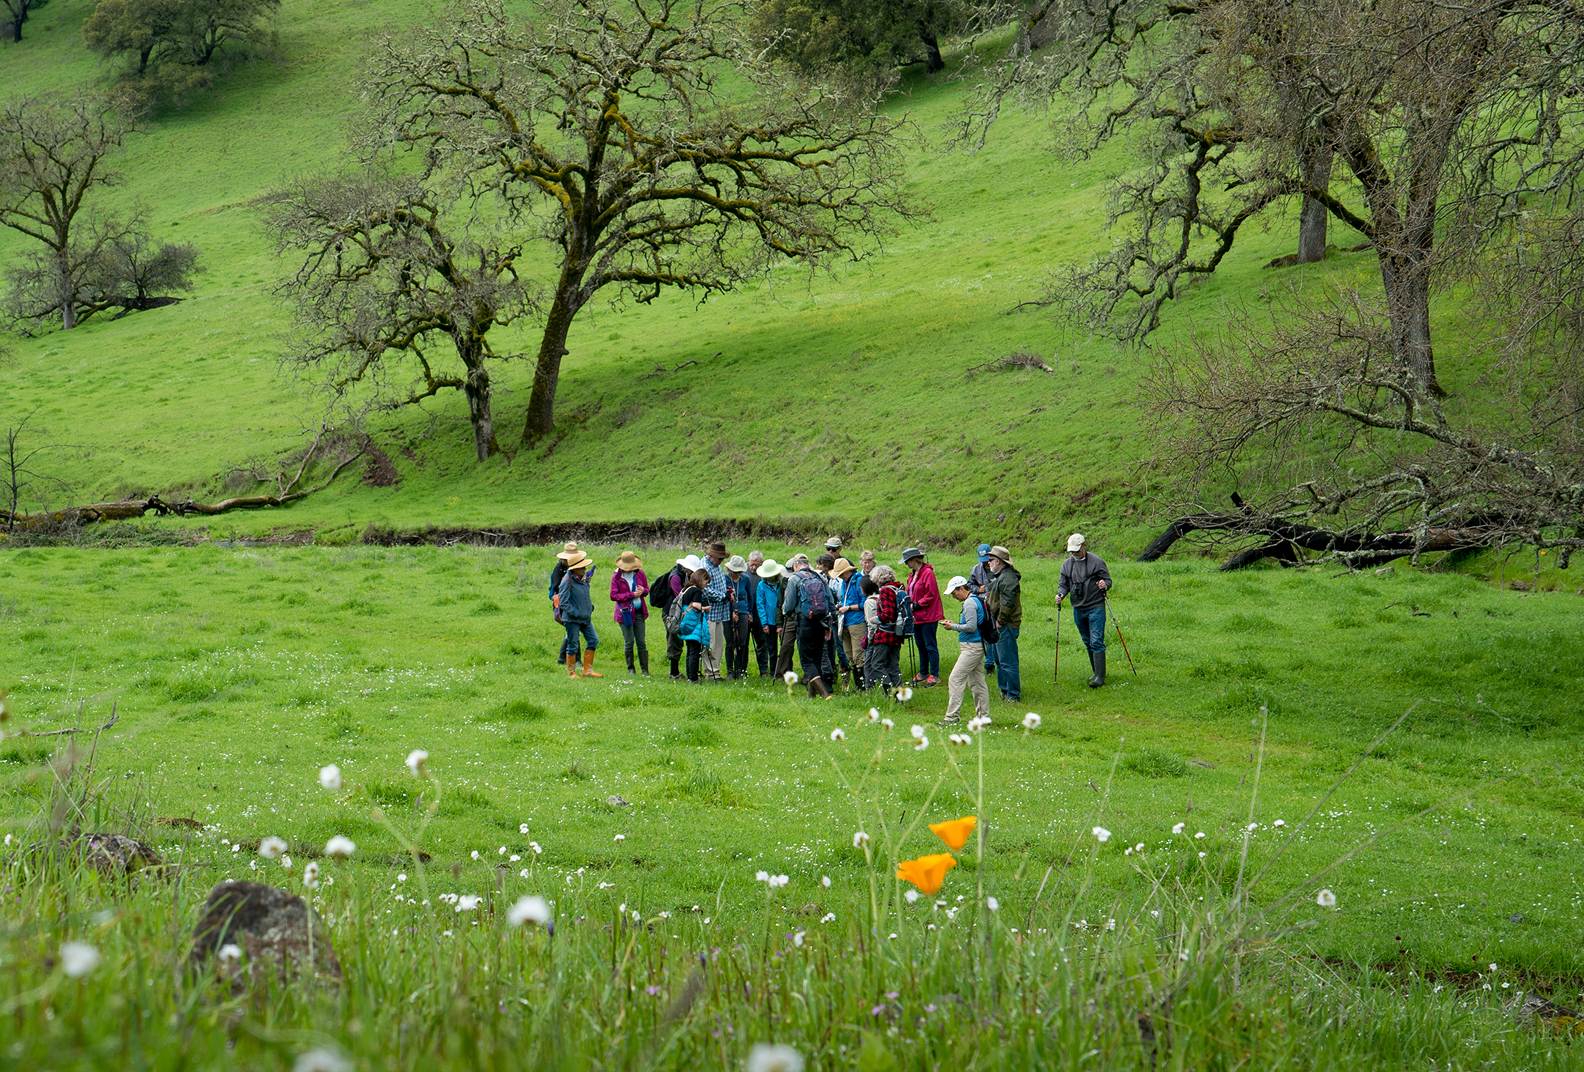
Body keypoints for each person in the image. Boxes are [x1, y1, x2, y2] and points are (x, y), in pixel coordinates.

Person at [1056, 532, 1112, 688]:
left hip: (1095, 606)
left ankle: (1100, 678)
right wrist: (1061, 594)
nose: (1074, 554)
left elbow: (1108, 580)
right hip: (1078, 608)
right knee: (1088, 641)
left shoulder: (1097, 562)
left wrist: (1104, 585)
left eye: (1077, 550)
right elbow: (1063, 584)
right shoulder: (1067, 565)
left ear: (1084, 546)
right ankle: (1096, 672)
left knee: (1096, 641)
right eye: (1072, 551)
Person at [939, 576, 990, 724]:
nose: (954, 597)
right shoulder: (974, 600)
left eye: (954, 593)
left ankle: (952, 717)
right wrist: (955, 624)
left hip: (971, 648)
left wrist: (952, 627)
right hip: (977, 646)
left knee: (955, 678)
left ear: (961, 588)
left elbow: (971, 627)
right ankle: (983, 718)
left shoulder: (969, 604)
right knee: (978, 683)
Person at [782, 554, 834, 698]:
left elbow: (789, 606)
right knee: (816, 658)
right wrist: (829, 623)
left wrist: (785, 611)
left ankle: (825, 695)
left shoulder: (794, 579)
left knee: (806, 662)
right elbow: (830, 601)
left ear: (795, 565)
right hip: (821, 622)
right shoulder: (819, 578)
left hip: (804, 622)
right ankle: (811, 695)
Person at [985, 545, 1022, 702]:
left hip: (1005, 626)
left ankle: (1013, 695)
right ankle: (1005, 691)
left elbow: (1008, 603)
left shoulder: (1007, 578)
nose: (989, 563)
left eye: (991, 560)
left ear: (999, 562)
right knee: (1000, 661)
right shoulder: (1002, 576)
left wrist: (1000, 622)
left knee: (1008, 662)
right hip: (999, 625)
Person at [902, 548, 942, 686]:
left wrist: (916, 605)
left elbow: (931, 594)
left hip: (928, 616)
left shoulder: (928, 573)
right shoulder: (912, 574)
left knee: (930, 645)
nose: (906, 564)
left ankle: (935, 674)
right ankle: (923, 672)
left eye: (907, 561)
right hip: (917, 617)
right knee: (920, 645)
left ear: (913, 560)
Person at [557, 552, 602, 678]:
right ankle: (571, 673)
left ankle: (587, 671)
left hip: (585, 618)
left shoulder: (581, 580)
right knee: (572, 645)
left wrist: (589, 608)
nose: (585, 569)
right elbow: (564, 602)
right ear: (575, 568)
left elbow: (583, 596)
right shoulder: (567, 581)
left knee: (593, 640)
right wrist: (576, 614)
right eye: (582, 567)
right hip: (573, 620)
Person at [609, 550, 651, 677]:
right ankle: (631, 669)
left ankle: (645, 670)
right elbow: (613, 595)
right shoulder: (616, 577)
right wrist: (631, 595)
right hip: (625, 613)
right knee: (629, 641)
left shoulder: (640, 574)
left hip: (639, 611)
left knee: (641, 641)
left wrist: (643, 591)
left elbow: (647, 590)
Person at [867, 565, 908, 690]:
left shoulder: (885, 591)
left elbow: (888, 614)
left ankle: (889, 691)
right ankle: (899, 694)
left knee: (877, 664)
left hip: (885, 634)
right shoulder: (898, 588)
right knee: (893, 665)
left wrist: (875, 619)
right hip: (898, 633)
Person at [663, 554, 702, 679]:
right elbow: (681, 597)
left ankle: (684, 672)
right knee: (675, 641)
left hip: (683, 613)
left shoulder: (686, 577)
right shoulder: (675, 577)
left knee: (684, 641)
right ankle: (674, 672)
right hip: (672, 613)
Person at [833, 558, 866, 690]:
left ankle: (862, 686)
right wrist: (841, 606)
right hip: (845, 622)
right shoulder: (844, 583)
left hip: (857, 621)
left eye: (841, 573)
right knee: (849, 653)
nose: (840, 576)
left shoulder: (859, 582)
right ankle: (858, 684)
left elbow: (865, 603)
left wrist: (849, 608)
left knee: (858, 653)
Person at [548, 541, 582, 667]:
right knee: (574, 629)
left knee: (572, 630)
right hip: (564, 603)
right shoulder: (559, 568)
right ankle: (576, 659)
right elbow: (557, 586)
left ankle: (563, 658)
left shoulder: (575, 566)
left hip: (574, 601)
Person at [701, 541, 731, 681]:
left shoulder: (717, 567)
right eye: (719, 558)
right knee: (710, 644)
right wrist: (723, 596)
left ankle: (716, 672)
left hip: (720, 611)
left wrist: (726, 592)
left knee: (719, 644)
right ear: (711, 556)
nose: (721, 561)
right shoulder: (705, 567)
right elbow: (705, 589)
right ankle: (709, 673)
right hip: (709, 612)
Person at [676, 567, 713, 683]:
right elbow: (697, 605)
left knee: (689, 650)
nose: (705, 585)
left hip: (685, 622)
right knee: (695, 651)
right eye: (706, 582)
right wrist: (706, 608)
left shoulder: (686, 588)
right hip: (693, 623)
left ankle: (690, 675)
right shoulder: (696, 591)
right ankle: (693, 677)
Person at [774, 555, 804, 680]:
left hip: (803, 617)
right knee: (786, 645)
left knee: (804, 646)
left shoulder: (805, 580)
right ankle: (783, 672)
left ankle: (809, 675)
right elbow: (780, 604)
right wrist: (779, 624)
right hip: (789, 618)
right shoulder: (784, 582)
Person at [754, 558, 784, 677]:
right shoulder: (761, 585)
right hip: (769, 622)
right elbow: (760, 605)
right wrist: (764, 623)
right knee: (772, 649)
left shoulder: (782, 583)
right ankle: (773, 672)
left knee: (784, 648)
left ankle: (784, 670)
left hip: (782, 620)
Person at [724, 555, 753, 679]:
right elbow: (724, 597)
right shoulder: (725, 579)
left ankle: (741, 669)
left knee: (742, 641)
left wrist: (749, 612)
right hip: (727, 611)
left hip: (742, 610)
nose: (736, 574)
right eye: (734, 571)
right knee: (730, 641)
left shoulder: (745, 579)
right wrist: (731, 611)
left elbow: (750, 597)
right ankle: (730, 670)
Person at [816, 552, 843, 684]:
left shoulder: (836, 580)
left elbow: (839, 597)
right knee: (827, 647)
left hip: (836, 616)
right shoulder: (821, 578)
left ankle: (842, 674)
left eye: (820, 564)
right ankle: (831, 674)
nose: (818, 567)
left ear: (826, 566)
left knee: (837, 645)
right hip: (825, 618)